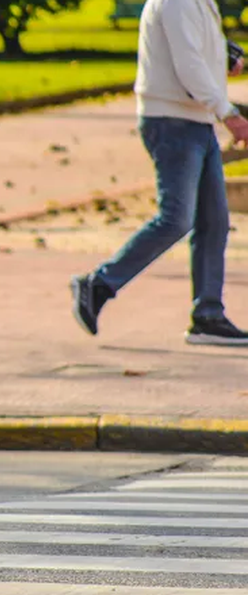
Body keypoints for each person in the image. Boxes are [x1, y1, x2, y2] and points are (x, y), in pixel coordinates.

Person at [72, 0, 248, 345]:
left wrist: (225, 56)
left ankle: (208, 315)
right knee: (175, 219)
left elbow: (195, 53)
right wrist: (229, 113)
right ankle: (98, 284)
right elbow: (188, 65)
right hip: (172, 123)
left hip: (194, 122)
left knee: (213, 221)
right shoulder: (176, 1)